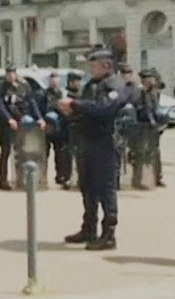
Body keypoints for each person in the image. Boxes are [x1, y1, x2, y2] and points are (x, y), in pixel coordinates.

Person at [60, 50, 127, 250]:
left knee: (106, 189)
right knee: (87, 187)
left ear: (106, 65)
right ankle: (89, 228)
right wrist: (71, 111)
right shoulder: (92, 85)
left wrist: (75, 104)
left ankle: (108, 233)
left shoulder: (115, 85)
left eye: (95, 65)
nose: (91, 68)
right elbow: (86, 109)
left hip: (105, 142)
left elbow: (103, 109)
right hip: (87, 141)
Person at [0, 66, 36, 191]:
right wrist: (9, 119)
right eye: (8, 74)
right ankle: (3, 180)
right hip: (6, 125)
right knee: (5, 152)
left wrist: (39, 118)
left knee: (21, 151)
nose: (11, 76)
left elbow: (30, 102)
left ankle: (21, 179)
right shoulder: (1, 86)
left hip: (21, 122)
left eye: (12, 73)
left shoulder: (23, 85)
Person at [42, 74, 73, 189]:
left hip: (59, 128)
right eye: (52, 80)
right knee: (44, 153)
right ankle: (43, 176)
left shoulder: (62, 94)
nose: (54, 82)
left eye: (56, 81)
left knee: (60, 154)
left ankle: (60, 176)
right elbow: (43, 108)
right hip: (47, 127)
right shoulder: (44, 94)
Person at [139, 69, 166, 188]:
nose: (151, 81)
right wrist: (152, 121)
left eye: (152, 79)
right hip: (143, 127)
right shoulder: (141, 93)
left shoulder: (154, 93)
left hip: (154, 127)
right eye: (148, 79)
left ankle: (157, 177)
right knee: (142, 153)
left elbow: (155, 109)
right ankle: (141, 179)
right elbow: (145, 110)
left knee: (155, 153)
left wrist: (159, 123)